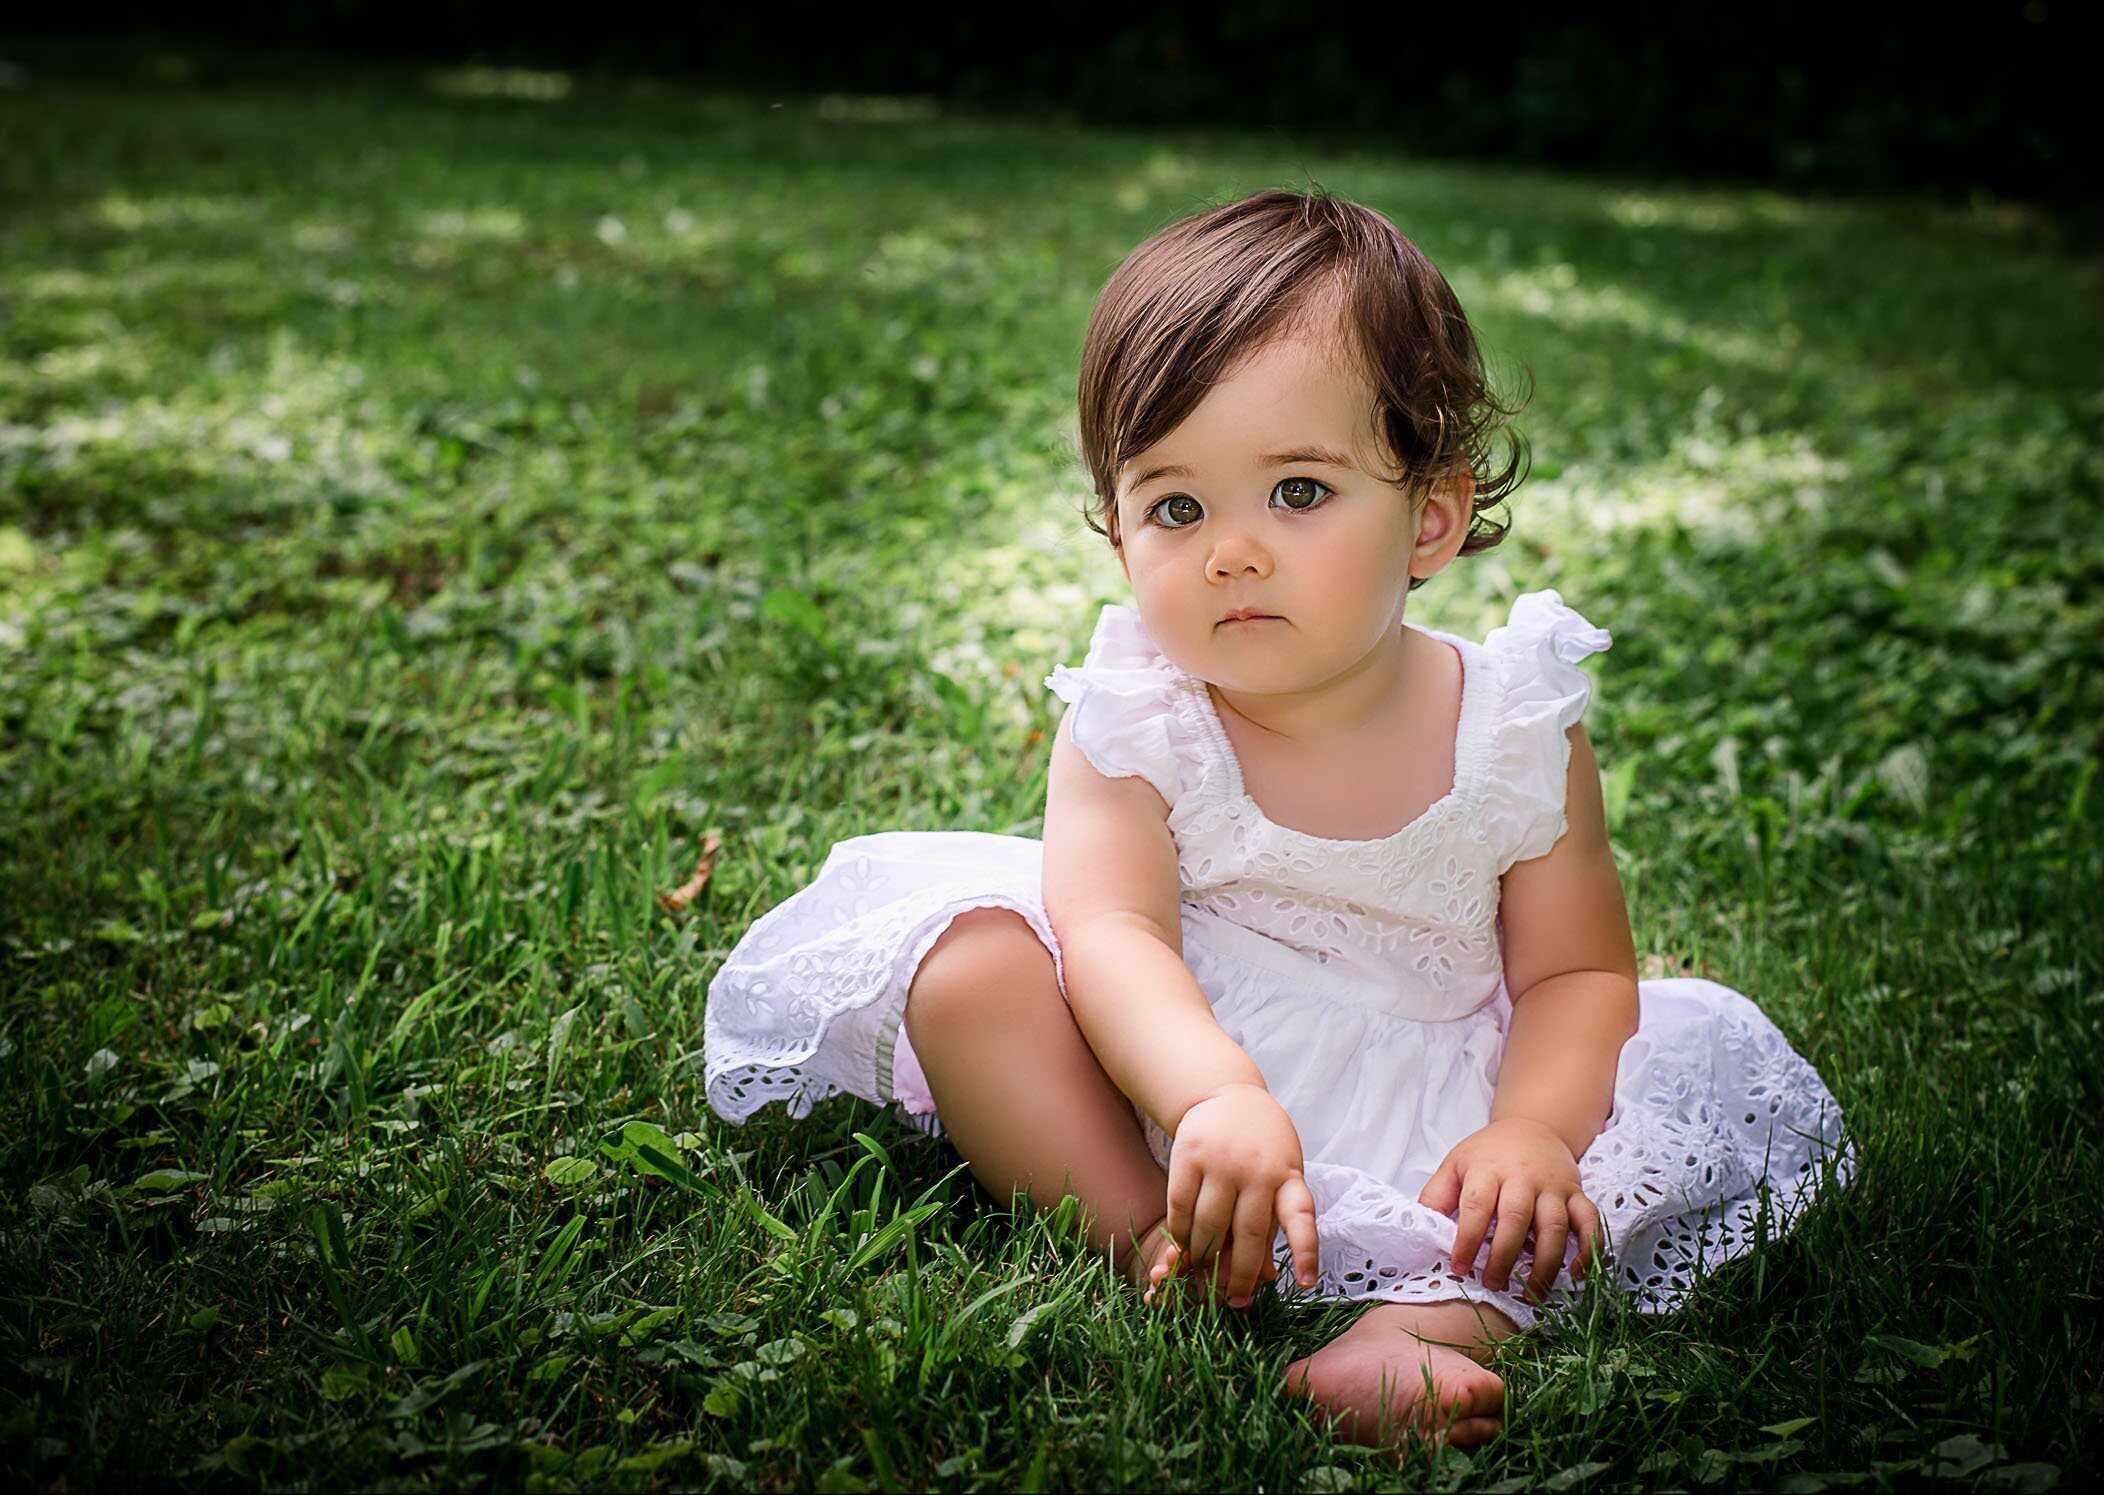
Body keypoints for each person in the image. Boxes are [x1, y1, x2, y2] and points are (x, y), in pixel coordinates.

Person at [702, 187, 1852, 1448]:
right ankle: (1159, 1234)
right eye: (1175, 508)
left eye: (1298, 492)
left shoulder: (1514, 724)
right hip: (1165, 1055)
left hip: (1442, 1085)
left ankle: (1420, 1327)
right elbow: (1112, 937)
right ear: (1117, 527)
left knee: (1605, 1148)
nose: (1231, 553)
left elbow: (1576, 968)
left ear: (1430, 516)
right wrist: (1207, 1096)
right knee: (969, 970)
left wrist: (1530, 1126)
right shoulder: (1138, 713)